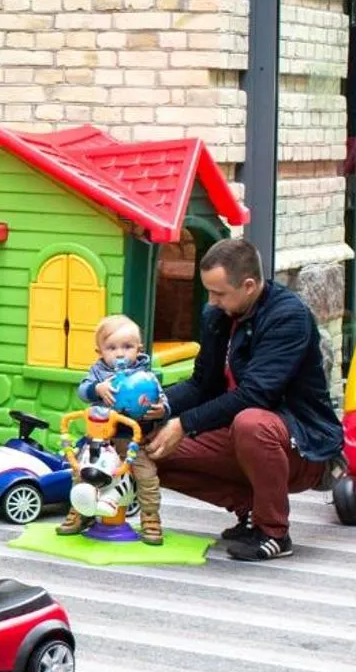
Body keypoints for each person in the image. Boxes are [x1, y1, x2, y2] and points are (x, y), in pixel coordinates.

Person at [141, 239, 344, 561]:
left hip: (301, 443)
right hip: (237, 434)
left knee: (251, 422)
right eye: (209, 291)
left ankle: (273, 532)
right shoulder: (217, 316)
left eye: (219, 293)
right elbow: (201, 385)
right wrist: (156, 405)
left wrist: (184, 424)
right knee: (145, 450)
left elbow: (256, 395)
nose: (211, 301)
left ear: (249, 285)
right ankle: (250, 509)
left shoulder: (287, 317)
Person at [58, 315, 165, 546]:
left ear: (139, 348)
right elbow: (83, 391)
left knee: (147, 475)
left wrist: (161, 410)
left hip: (133, 441)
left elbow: (162, 398)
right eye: (112, 347)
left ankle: (150, 517)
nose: (119, 353)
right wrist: (97, 388)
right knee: (81, 473)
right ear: (100, 351)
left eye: (127, 347)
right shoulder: (97, 373)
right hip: (99, 439)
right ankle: (81, 511)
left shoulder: (146, 376)